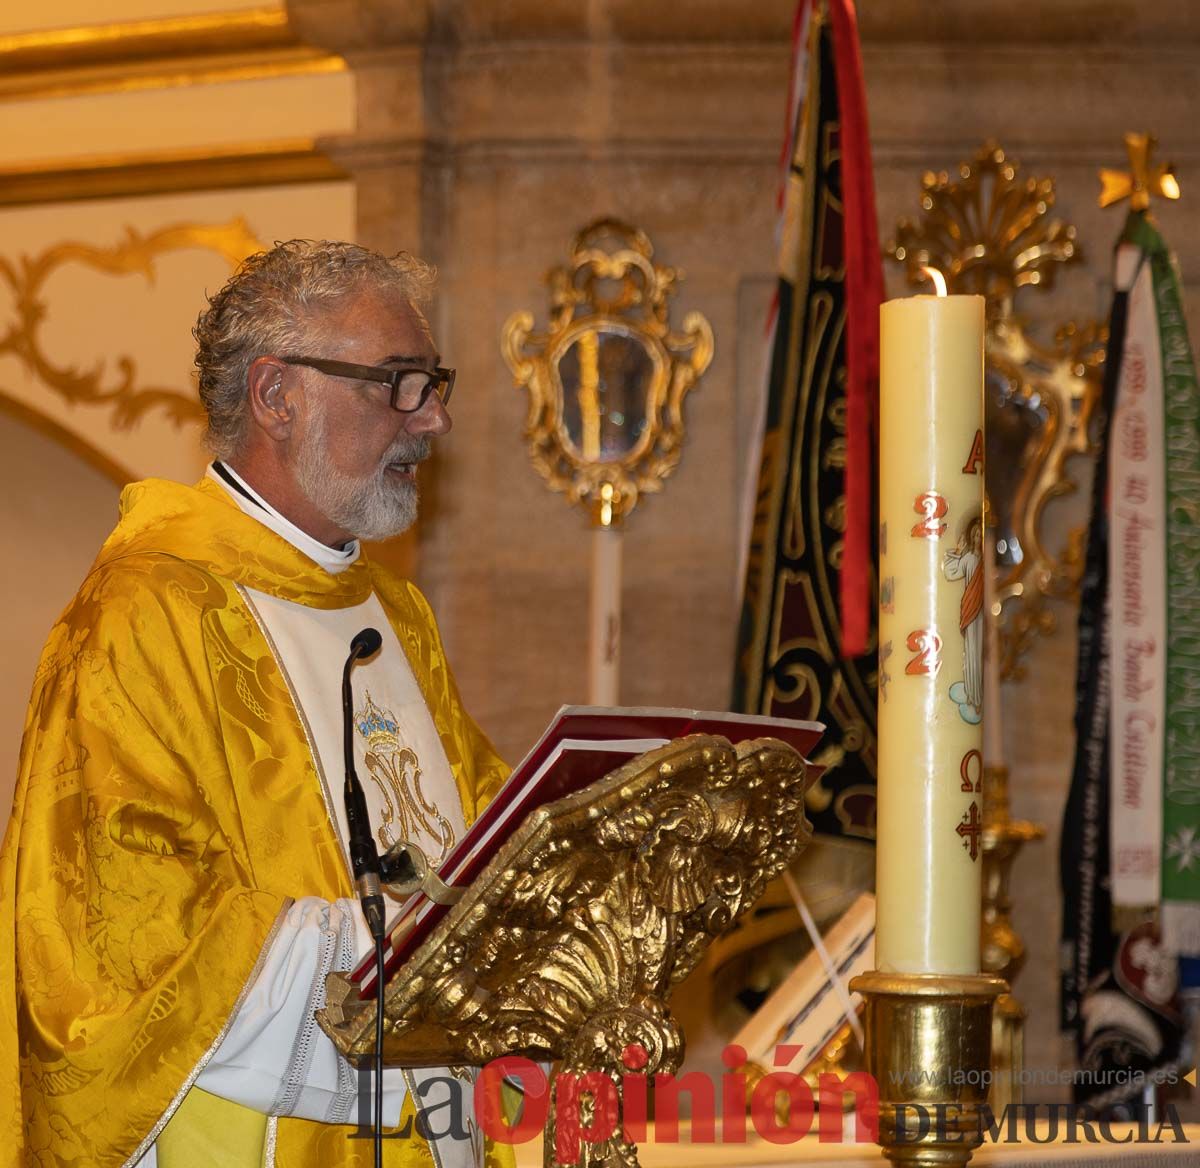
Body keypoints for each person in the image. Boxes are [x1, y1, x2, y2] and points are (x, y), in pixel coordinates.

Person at [0, 240, 510, 1168]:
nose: (432, 418)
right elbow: (121, 947)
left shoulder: (397, 613)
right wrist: (399, 947)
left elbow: (483, 825)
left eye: (433, 382)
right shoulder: (143, 613)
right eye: (398, 381)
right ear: (277, 395)